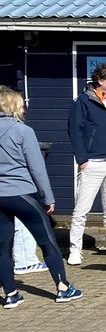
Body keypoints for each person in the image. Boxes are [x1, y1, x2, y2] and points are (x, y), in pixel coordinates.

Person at [0, 87, 81, 308]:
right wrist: (48, 198)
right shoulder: (23, 131)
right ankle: (63, 288)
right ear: (14, 105)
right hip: (22, 194)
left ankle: (10, 294)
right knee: (47, 241)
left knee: (3, 246)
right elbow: (37, 168)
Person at [66, 63, 106, 265]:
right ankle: (75, 249)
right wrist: (82, 160)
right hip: (92, 162)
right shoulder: (83, 102)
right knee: (82, 208)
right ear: (100, 81)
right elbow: (75, 130)